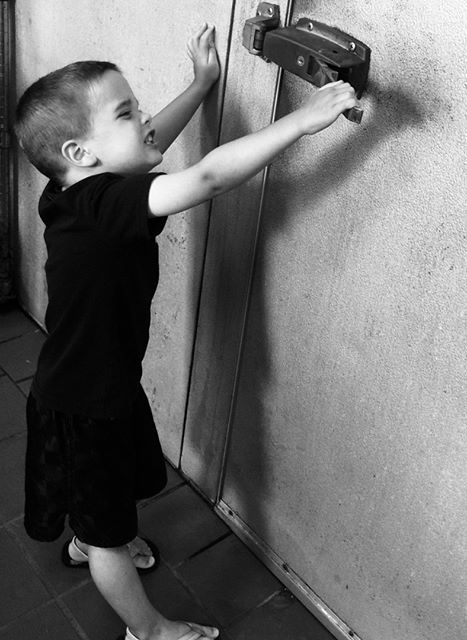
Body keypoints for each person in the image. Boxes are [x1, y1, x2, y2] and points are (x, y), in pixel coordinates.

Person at [14, 22, 357, 640]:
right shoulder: (107, 206)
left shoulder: (75, 193)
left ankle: (87, 538)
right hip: (89, 402)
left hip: (85, 385)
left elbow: (148, 143)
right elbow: (206, 179)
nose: (144, 121)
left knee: (102, 494)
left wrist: (201, 85)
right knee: (110, 537)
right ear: (80, 154)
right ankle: (146, 628)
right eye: (125, 113)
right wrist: (299, 124)